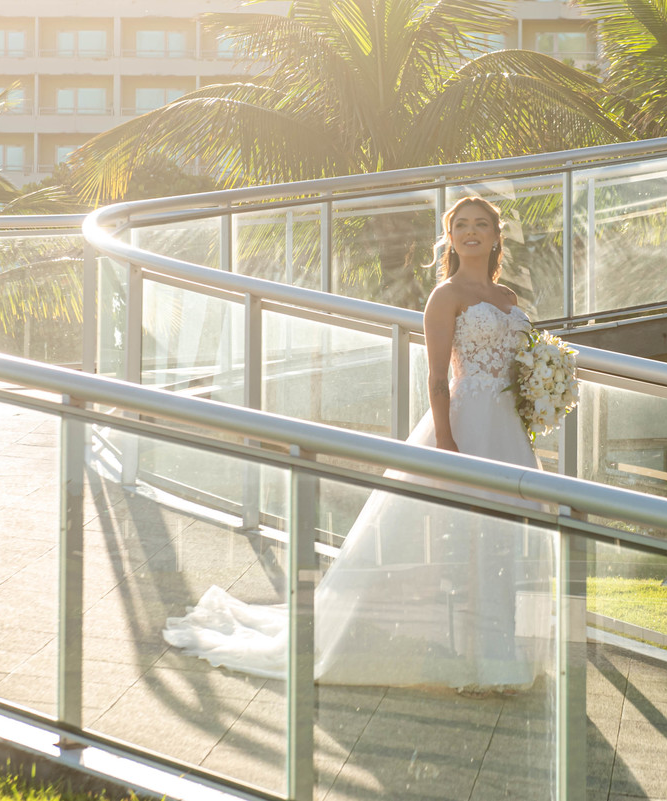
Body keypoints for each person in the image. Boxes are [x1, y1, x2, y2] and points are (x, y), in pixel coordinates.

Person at [162, 196, 553, 691]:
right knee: (472, 543)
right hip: (465, 427)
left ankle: (502, 655)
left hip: (506, 429)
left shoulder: (508, 300)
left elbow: (518, 369)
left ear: (497, 235)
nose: (471, 233)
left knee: (504, 543)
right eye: (461, 226)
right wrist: (447, 445)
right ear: (449, 237)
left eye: (481, 225)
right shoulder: (445, 297)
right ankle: (483, 661)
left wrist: (540, 392)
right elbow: (437, 379)